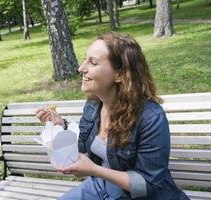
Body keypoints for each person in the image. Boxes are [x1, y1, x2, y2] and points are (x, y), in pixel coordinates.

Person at [36, 32, 189, 200]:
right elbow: (82, 143)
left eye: (93, 62)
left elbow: (148, 185)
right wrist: (61, 125)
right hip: (101, 186)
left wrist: (93, 170)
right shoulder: (93, 105)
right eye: (85, 59)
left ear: (120, 74)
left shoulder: (151, 118)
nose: (81, 68)